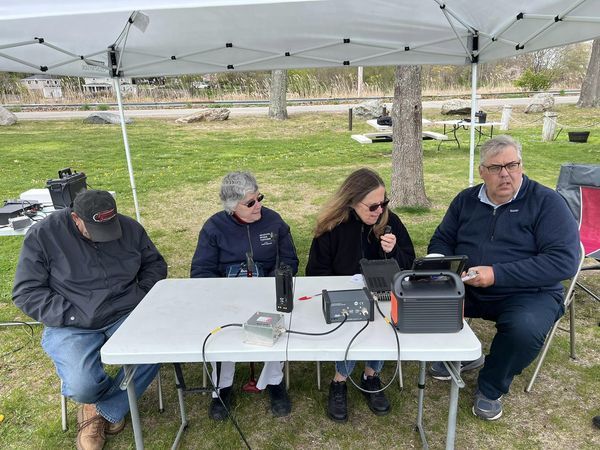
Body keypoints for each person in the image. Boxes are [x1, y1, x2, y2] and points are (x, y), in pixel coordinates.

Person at [428, 135, 580, 421]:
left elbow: (563, 261)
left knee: (524, 329)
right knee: (424, 301)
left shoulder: (547, 202)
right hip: (469, 284)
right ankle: (465, 354)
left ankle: (491, 386)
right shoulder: (465, 200)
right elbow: (442, 239)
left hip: (529, 292)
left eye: (512, 165)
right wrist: (443, 267)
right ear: (482, 171)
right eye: (496, 168)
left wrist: (497, 274)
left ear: (521, 166)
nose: (505, 174)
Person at [12, 190, 167, 450]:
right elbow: (26, 292)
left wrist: (141, 294)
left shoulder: (129, 228)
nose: (104, 235)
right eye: (96, 230)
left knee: (158, 346)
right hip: (72, 321)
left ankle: (101, 411)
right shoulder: (43, 235)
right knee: (82, 385)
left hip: (124, 312)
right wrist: (70, 314)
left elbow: (155, 265)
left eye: (110, 228)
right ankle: (93, 400)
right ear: (76, 218)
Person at [305, 167, 415, 422]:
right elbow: (316, 272)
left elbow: (409, 266)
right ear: (352, 201)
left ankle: (371, 375)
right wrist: (339, 290)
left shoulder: (389, 222)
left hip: (383, 295)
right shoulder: (332, 226)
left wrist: (394, 251)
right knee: (356, 318)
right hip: (342, 297)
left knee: (383, 318)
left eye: (383, 203)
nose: (379, 211)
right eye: (373, 206)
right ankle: (340, 380)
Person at [190, 171, 299, 420]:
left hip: (268, 291)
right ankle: (222, 387)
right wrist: (223, 294)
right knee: (221, 330)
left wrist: (273, 282)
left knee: (278, 321)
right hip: (227, 296)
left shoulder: (274, 221)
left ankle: (274, 381)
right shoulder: (214, 227)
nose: (258, 205)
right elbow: (201, 271)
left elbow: (289, 260)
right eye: (250, 203)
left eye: (259, 198)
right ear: (232, 206)